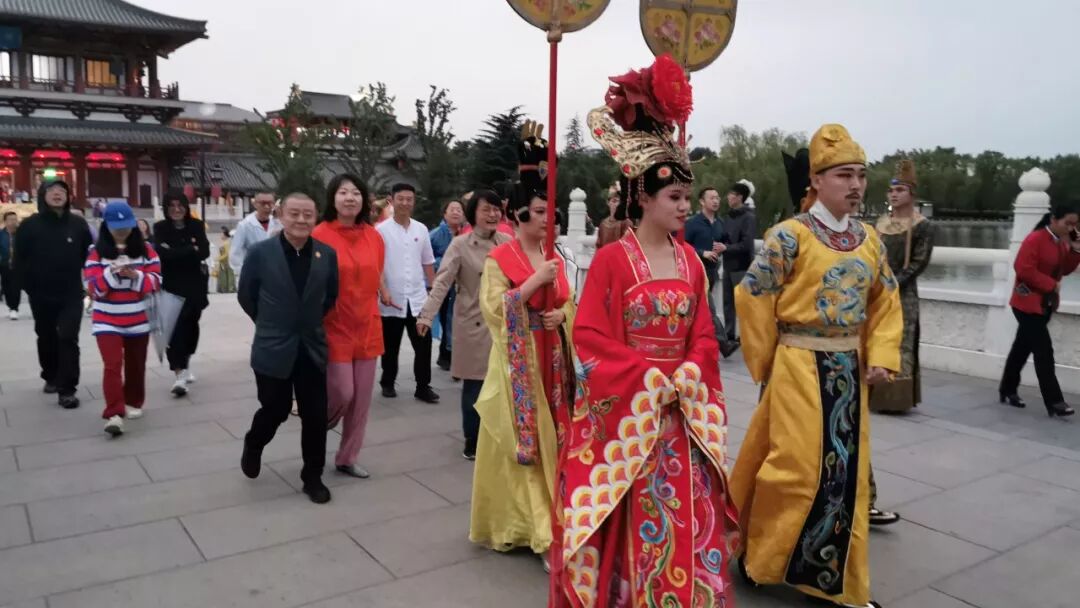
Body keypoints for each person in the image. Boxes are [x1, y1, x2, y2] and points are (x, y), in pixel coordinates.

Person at [550, 54, 737, 607]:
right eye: (675, 198)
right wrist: (648, 379)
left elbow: (704, 334)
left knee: (688, 520)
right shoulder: (613, 260)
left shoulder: (691, 262)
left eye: (687, 198)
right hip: (634, 416)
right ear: (645, 198)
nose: (684, 207)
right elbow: (590, 339)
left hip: (681, 413)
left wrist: (689, 370)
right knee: (634, 528)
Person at [730, 124, 902, 608]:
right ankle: (760, 557)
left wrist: (882, 355)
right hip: (799, 364)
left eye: (861, 175)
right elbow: (752, 296)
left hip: (848, 367)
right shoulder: (790, 236)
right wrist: (769, 362)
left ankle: (832, 583)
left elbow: (885, 300)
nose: (856, 185)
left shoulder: (869, 240)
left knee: (845, 475)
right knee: (796, 470)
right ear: (817, 180)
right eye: (844, 174)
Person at [469, 170, 576, 571]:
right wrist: (533, 283)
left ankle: (556, 516)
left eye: (551, 211)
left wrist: (561, 316)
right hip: (520, 362)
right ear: (518, 215)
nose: (549, 218)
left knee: (557, 438)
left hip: (553, 359)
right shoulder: (500, 259)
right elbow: (495, 310)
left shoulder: (555, 257)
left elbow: (570, 302)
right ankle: (541, 532)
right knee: (529, 446)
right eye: (539, 211)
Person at [238, 193, 338, 504]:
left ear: (316, 217)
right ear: (281, 215)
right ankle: (254, 442)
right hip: (273, 345)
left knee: (315, 414)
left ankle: (313, 476)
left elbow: (329, 297)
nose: (301, 220)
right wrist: (270, 322)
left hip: (311, 346)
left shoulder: (326, 254)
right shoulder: (260, 253)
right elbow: (246, 295)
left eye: (308, 214)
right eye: (294, 213)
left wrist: (306, 322)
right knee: (276, 408)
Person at [417, 190, 512, 460]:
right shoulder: (460, 245)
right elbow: (443, 281)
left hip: (503, 323)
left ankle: (497, 437)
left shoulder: (507, 242)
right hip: (473, 323)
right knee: (474, 386)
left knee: (502, 384)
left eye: (496, 209)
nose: (492, 214)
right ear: (473, 214)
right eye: (486, 209)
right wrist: (426, 315)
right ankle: (473, 439)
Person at [312, 173, 385, 479]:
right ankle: (318, 421)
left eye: (356, 192)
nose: (350, 198)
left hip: (367, 325)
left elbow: (377, 274)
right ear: (333, 198)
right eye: (343, 192)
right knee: (343, 392)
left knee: (361, 401)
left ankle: (347, 457)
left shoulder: (373, 236)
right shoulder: (319, 234)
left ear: (364, 200)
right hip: (334, 326)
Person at [83, 202, 161, 437]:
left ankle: (134, 401)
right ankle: (114, 413)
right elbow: (93, 289)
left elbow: (156, 281)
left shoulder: (146, 250)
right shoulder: (95, 252)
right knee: (112, 365)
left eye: (125, 226)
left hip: (138, 318)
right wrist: (111, 273)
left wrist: (136, 275)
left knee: (136, 364)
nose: (121, 231)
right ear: (106, 225)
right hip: (107, 319)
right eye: (116, 227)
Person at [15, 180, 94, 409]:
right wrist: (28, 287)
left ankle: (67, 389)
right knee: (46, 336)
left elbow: (89, 256)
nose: (57, 194)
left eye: (62, 190)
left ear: (68, 196)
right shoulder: (29, 226)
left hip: (71, 294)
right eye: (51, 190)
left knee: (68, 337)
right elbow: (19, 259)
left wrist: (92, 282)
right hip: (41, 294)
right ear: (42, 195)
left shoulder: (78, 224)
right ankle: (50, 374)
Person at [998, 203, 1080, 418]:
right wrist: (1051, 285)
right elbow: (1022, 268)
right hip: (1026, 303)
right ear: (1054, 219)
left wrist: (1075, 248)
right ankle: (1055, 401)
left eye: (1075, 224)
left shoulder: (1060, 242)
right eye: (1068, 223)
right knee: (1044, 351)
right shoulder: (1035, 239)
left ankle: (1007, 389)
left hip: (1045, 304)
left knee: (1021, 348)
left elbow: (1066, 269)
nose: (1071, 228)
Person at [376, 183, 439, 403]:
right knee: (390, 347)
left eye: (409, 199)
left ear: (414, 201)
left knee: (423, 345)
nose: (405, 203)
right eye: (400, 198)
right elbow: (376, 264)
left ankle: (423, 386)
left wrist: (433, 289)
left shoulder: (421, 229)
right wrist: (382, 289)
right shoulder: (380, 231)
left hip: (418, 298)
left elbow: (428, 261)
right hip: (391, 299)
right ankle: (387, 382)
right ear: (391, 200)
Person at [153, 191, 210, 397]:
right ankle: (179, 374)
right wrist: (189, 249)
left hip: (194, 287)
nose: (176, 209)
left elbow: (204, 252)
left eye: (180, 205)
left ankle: (186, 362)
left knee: (190, 328)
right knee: (174, 331)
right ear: (166, 208)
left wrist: (176, 251)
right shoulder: (160, 228)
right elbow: (162, 254)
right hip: (171, 286)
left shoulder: (197, 225)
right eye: (172, 206)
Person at [685, 186, 740, 358]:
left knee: (699, 311)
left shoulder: (720, 224)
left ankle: (691, 344)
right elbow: (681, 245)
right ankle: (724, 345)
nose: (716, 201)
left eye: (717, 198)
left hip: (712, 272)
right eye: (712, 198)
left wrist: (725, 247)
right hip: (694, 272)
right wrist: (702, 252)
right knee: (710, 309)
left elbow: (728, 242)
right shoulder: (692, 223)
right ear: (702, 201)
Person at [428, 199, 466, 371]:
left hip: (461, 285)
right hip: (443, 284)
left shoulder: (466, 233)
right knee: (446, 319)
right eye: (452, 209)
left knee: (455, 320)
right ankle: (446, 356)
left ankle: (449, 355)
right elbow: (426, 257)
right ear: (445, 213)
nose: (456, 212)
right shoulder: (436, 233)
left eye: (459, 210)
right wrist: (445, 262)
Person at [722, 180, 757, 345]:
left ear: (740, 197)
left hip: (741, 266)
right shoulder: (728, 216)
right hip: (728, 265)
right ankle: (729, 335)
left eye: (732, 195)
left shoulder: (748, 217)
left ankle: (746, 335)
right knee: (727, 302)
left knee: (743, 304)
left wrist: (726, 247)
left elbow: (746, 244)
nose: (728, 197)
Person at [229, 191, 281, 281]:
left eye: (270, 203)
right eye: (263, 203)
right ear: (255, 204)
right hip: (252, 275)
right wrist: (244, 272)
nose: (267, 206)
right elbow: (235, 254)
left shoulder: (278, 223)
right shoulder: (245, 225)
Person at [594, 183, 632, 249]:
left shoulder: (626, 223)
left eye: (619, 202)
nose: (617, 204)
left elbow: (628, 246)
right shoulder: (603, 224)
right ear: (608, 202)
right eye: (614, 201)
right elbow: (599, 246)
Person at [0, 211, 19, 320]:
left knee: (15, 287)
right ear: (5, 221)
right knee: (6, 287)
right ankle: (10, 306)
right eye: (10, 220)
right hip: (4, 264)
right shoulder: (1, 235)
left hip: (18, 265)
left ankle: (14, 308)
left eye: (15, 219)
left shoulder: (21, 233)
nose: (13, 222)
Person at [215, 226, 236, 293]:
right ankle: (224, 289)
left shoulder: (227, 243)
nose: (220, 235)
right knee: (223, 275)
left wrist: (218, 258)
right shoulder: (223, 242)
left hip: (227, 262)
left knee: (228, 275)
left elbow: (227, 254)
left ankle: (229, 288)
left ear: (225, 235)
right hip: (223, 262)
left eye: (222, 233)